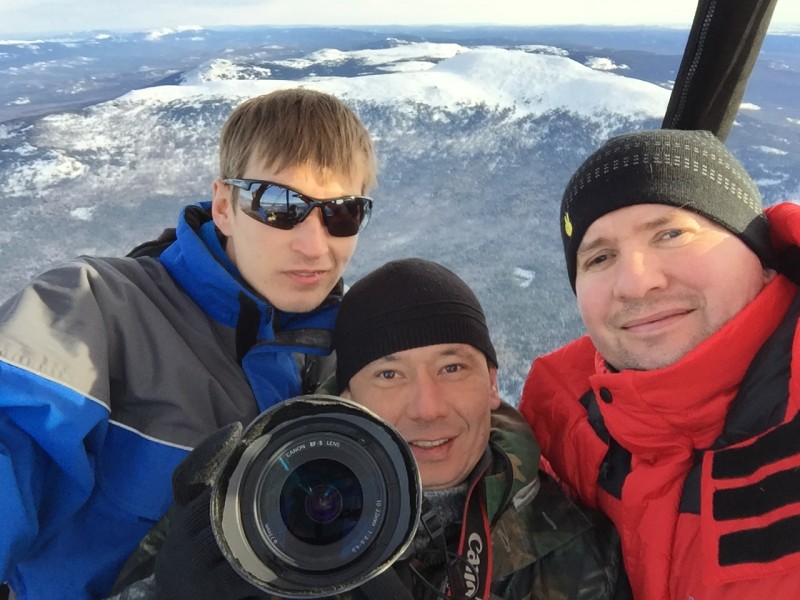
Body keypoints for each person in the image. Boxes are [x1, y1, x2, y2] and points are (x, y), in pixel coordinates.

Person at [0, 88, 377, 600]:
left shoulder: (343, 352)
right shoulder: (92, 317)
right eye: (279, 206)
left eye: (342, 213)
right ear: (224, 207)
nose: (315, 246)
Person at [518, 128, 800, 600]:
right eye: (600, 257)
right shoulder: (567, 420)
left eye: (671, 234)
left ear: (759, 252)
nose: (635, 282)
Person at [329, 258, 628, 599]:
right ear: (347, 400)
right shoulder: (290, 543)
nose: (429, 410)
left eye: (452, 368)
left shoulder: (590, 560)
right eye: (389, 375)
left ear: (491, 384)